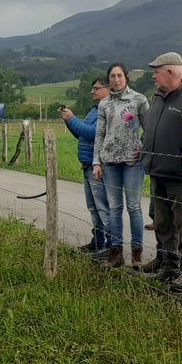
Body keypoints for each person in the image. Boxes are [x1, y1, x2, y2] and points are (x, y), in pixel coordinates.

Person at [138, 52, 182, 290]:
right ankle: (169, 266)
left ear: (171, 72)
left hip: (179, 175)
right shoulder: (157, 99)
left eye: (157, 70)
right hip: (157, 171)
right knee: (162, 223)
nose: (153, 75)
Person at [93, 62, 150, 268]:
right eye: (112, 76)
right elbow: (100, 134)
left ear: (126, 77)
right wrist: (96, 162)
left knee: (134, 206)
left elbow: (148, 129)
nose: (116, 80)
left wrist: (145, 153)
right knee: (114, 207)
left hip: (133, 161)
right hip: (110, 161)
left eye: (119, 76)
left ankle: (137, 254)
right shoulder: (104, 104)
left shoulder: (139, 100)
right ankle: (116, 252)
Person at [61, 77, 112, 257]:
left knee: (102, 206)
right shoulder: (94, 110)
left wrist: (72, 118)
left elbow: (93, 134)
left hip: (98, 165)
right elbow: (81, 135)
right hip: (88, 164)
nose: (92, 91)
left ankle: (110, 245)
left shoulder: (106, 109)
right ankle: (98, 240)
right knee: (93, 206)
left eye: (96, 88)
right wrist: (69, 121)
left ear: (107, 89)